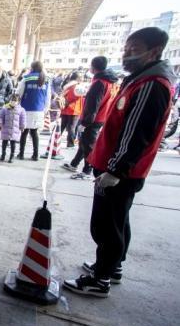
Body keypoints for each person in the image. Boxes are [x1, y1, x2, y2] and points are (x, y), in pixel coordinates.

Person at [63, 27, 176, 297]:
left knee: (106, 224)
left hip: (121, 170)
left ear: (155, 51)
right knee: (117, 220)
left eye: (134, 48)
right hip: (116, 164)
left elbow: (136, 132)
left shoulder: (151, 85)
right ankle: (112, 267)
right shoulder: (138, 80)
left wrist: (115, 170)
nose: (127, 53)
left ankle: (99, 279)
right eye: (126, 48)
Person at [62, 56, 119, 180]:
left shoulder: (100, 82)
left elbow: (94, 104)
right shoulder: (109, 81)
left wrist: (86, 122)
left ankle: (87, 171)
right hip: (100, 117)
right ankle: (74, 164)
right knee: (84, 143)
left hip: (93, 119)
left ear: (93, 67)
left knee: (88, 145)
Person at [16, 61, 51, 160]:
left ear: (32, 67)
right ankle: (35, 155)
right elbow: (48, 97)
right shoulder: (47, 79)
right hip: (39, 109)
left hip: (26, 108)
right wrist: (46, 109)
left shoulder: (26, 78)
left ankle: (21, 154)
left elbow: (19, 93)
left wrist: (16, 105)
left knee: (24, 131)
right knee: (34, 132)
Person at [59, 72, 85, 148]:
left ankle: (54, 139)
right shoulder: (77, 86)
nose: (82, 78)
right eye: (81, 76)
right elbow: (78, 95)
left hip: (65, 108)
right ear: (77, 78)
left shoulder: (67, 86)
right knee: (72, 127)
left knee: (62, 126)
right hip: (74, 109)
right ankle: (70, 143)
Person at [0, 97, 26, 163]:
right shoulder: (5, 108)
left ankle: (12, 156)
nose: (13, 102)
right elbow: (1, 116)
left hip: (15, 130)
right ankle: (3, 154)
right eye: (12, 100)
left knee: (13, 143)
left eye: (15, 101)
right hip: (5, 128)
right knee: (4, 142)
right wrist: (0, 123)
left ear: (18, 102)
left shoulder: (21, 110)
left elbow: (23, 119)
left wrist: (22, 126)